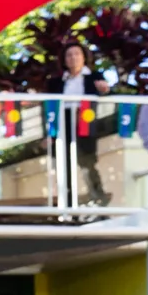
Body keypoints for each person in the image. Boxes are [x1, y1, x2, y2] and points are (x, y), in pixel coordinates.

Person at [62, 44, 112, 206]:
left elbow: (107, 93)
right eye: (69, 55)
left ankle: (98, 197)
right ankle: (68, 204)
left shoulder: (94, 76)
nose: (73, 58)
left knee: (87, 163)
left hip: (85, 123)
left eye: (77, 54)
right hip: (64, 123)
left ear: (84, 57)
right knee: (64, 164)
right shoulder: (58, 80)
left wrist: (104, 90)